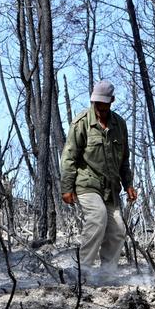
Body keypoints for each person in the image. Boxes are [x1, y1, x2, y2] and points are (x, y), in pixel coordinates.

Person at [60, 80, 137, 275]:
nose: (100, 109)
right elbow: (69, 157)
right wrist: (67, 188)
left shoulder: (119, 124)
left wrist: (128, 184)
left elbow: (124, 159)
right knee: (97, 217)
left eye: (104, 104)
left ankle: (107, 275)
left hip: (111, 187)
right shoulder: (80, 123)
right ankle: (82, 271)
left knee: (118, 228)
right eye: (97, 104)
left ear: (111, 101)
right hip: (87, 183)